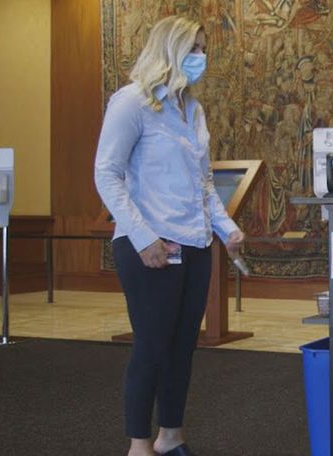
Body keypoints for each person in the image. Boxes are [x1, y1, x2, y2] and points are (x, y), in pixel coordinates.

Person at [94, 16, 244, 456]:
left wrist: (228, 228)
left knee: (182, 346)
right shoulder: (132, 102)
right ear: (169, 49)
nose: (202, 58)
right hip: (148, 245)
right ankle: (139, 445)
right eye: (194, 49)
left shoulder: (193, 110)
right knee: (152, 346)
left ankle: (170, 436)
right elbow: (107, 174)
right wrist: (143, 238)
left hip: (195, 245)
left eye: (204, 50)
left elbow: (202, 183)